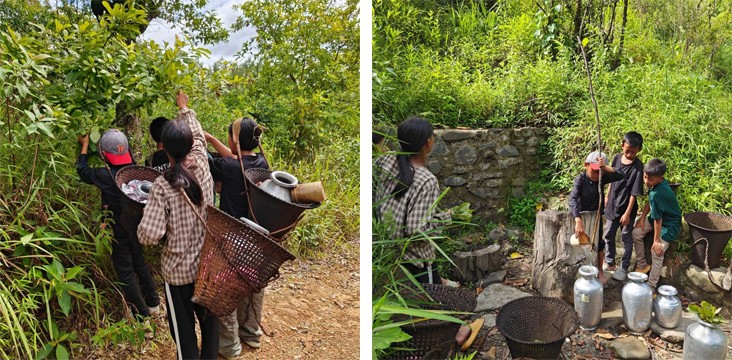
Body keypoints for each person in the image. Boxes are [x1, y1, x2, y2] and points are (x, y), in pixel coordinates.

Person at [137, 91, 218, 360]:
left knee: (184, 336)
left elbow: (149, 235)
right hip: (206, 266)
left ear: (164, 149)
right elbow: (196, 133)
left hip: (178, 274)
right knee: (209, 326)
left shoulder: (162, 185)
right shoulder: (204, 165)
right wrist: (183, 106)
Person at [77, 129, 160, 319]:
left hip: (117, 230)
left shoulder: (104, 175)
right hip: (136, 227)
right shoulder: (134, 172)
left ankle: (140, 317)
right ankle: (154, 304)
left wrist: (83, 146)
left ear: (104, 154)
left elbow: (83, 171)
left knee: (125, 273)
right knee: (139, 262)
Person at [204, 118, 269, 358]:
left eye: (229, 136)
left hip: (233, 238)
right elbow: (237, 157)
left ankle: (229, 347)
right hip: (258, 238)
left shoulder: (227, 167)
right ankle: (251, 334)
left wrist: (205, 141)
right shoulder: (261, 162)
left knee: (226, 287)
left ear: (235, 140)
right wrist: (213, 139)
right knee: (253, 286)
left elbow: (226, 161)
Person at [569, 150, 625, 285]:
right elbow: (573, 199)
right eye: (594, 170)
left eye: (599, 171)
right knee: (578, 243)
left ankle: (600, 270)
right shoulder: (580, 179)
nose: (596, 174)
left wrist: (605, 168)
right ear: (586, 165)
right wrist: (577, 220)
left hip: (596, 215)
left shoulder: (602, 177)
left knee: (599, 243)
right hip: (581, 216)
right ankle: (577, 270)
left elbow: (622, 174)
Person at [631, 158, 681, 291]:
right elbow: (650, 202)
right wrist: (642, 219)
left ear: (661, 178)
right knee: (636, 232)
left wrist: (657, 241)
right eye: (645, 177)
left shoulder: (658, 193)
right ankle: (642, 265)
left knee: (656, 252)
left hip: (669, 225)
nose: (646, 181)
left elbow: (659, 220)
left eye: (650, 179)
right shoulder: (654, 186)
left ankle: (651, 287)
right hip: (657, 219)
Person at [603, 132, 644, 281]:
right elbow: (611, 179)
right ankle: (610, 262)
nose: (630, 154)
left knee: (626, 238)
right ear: (622, 146)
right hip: (613, 203)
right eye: (627, 150)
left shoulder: (638, 167)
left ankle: (624, 267)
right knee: (608, 234)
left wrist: (627, 213)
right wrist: (608, 195)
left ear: (639, 150)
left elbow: (634, 193)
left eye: (633, 152)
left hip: (627, 207)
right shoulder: (616, 158)